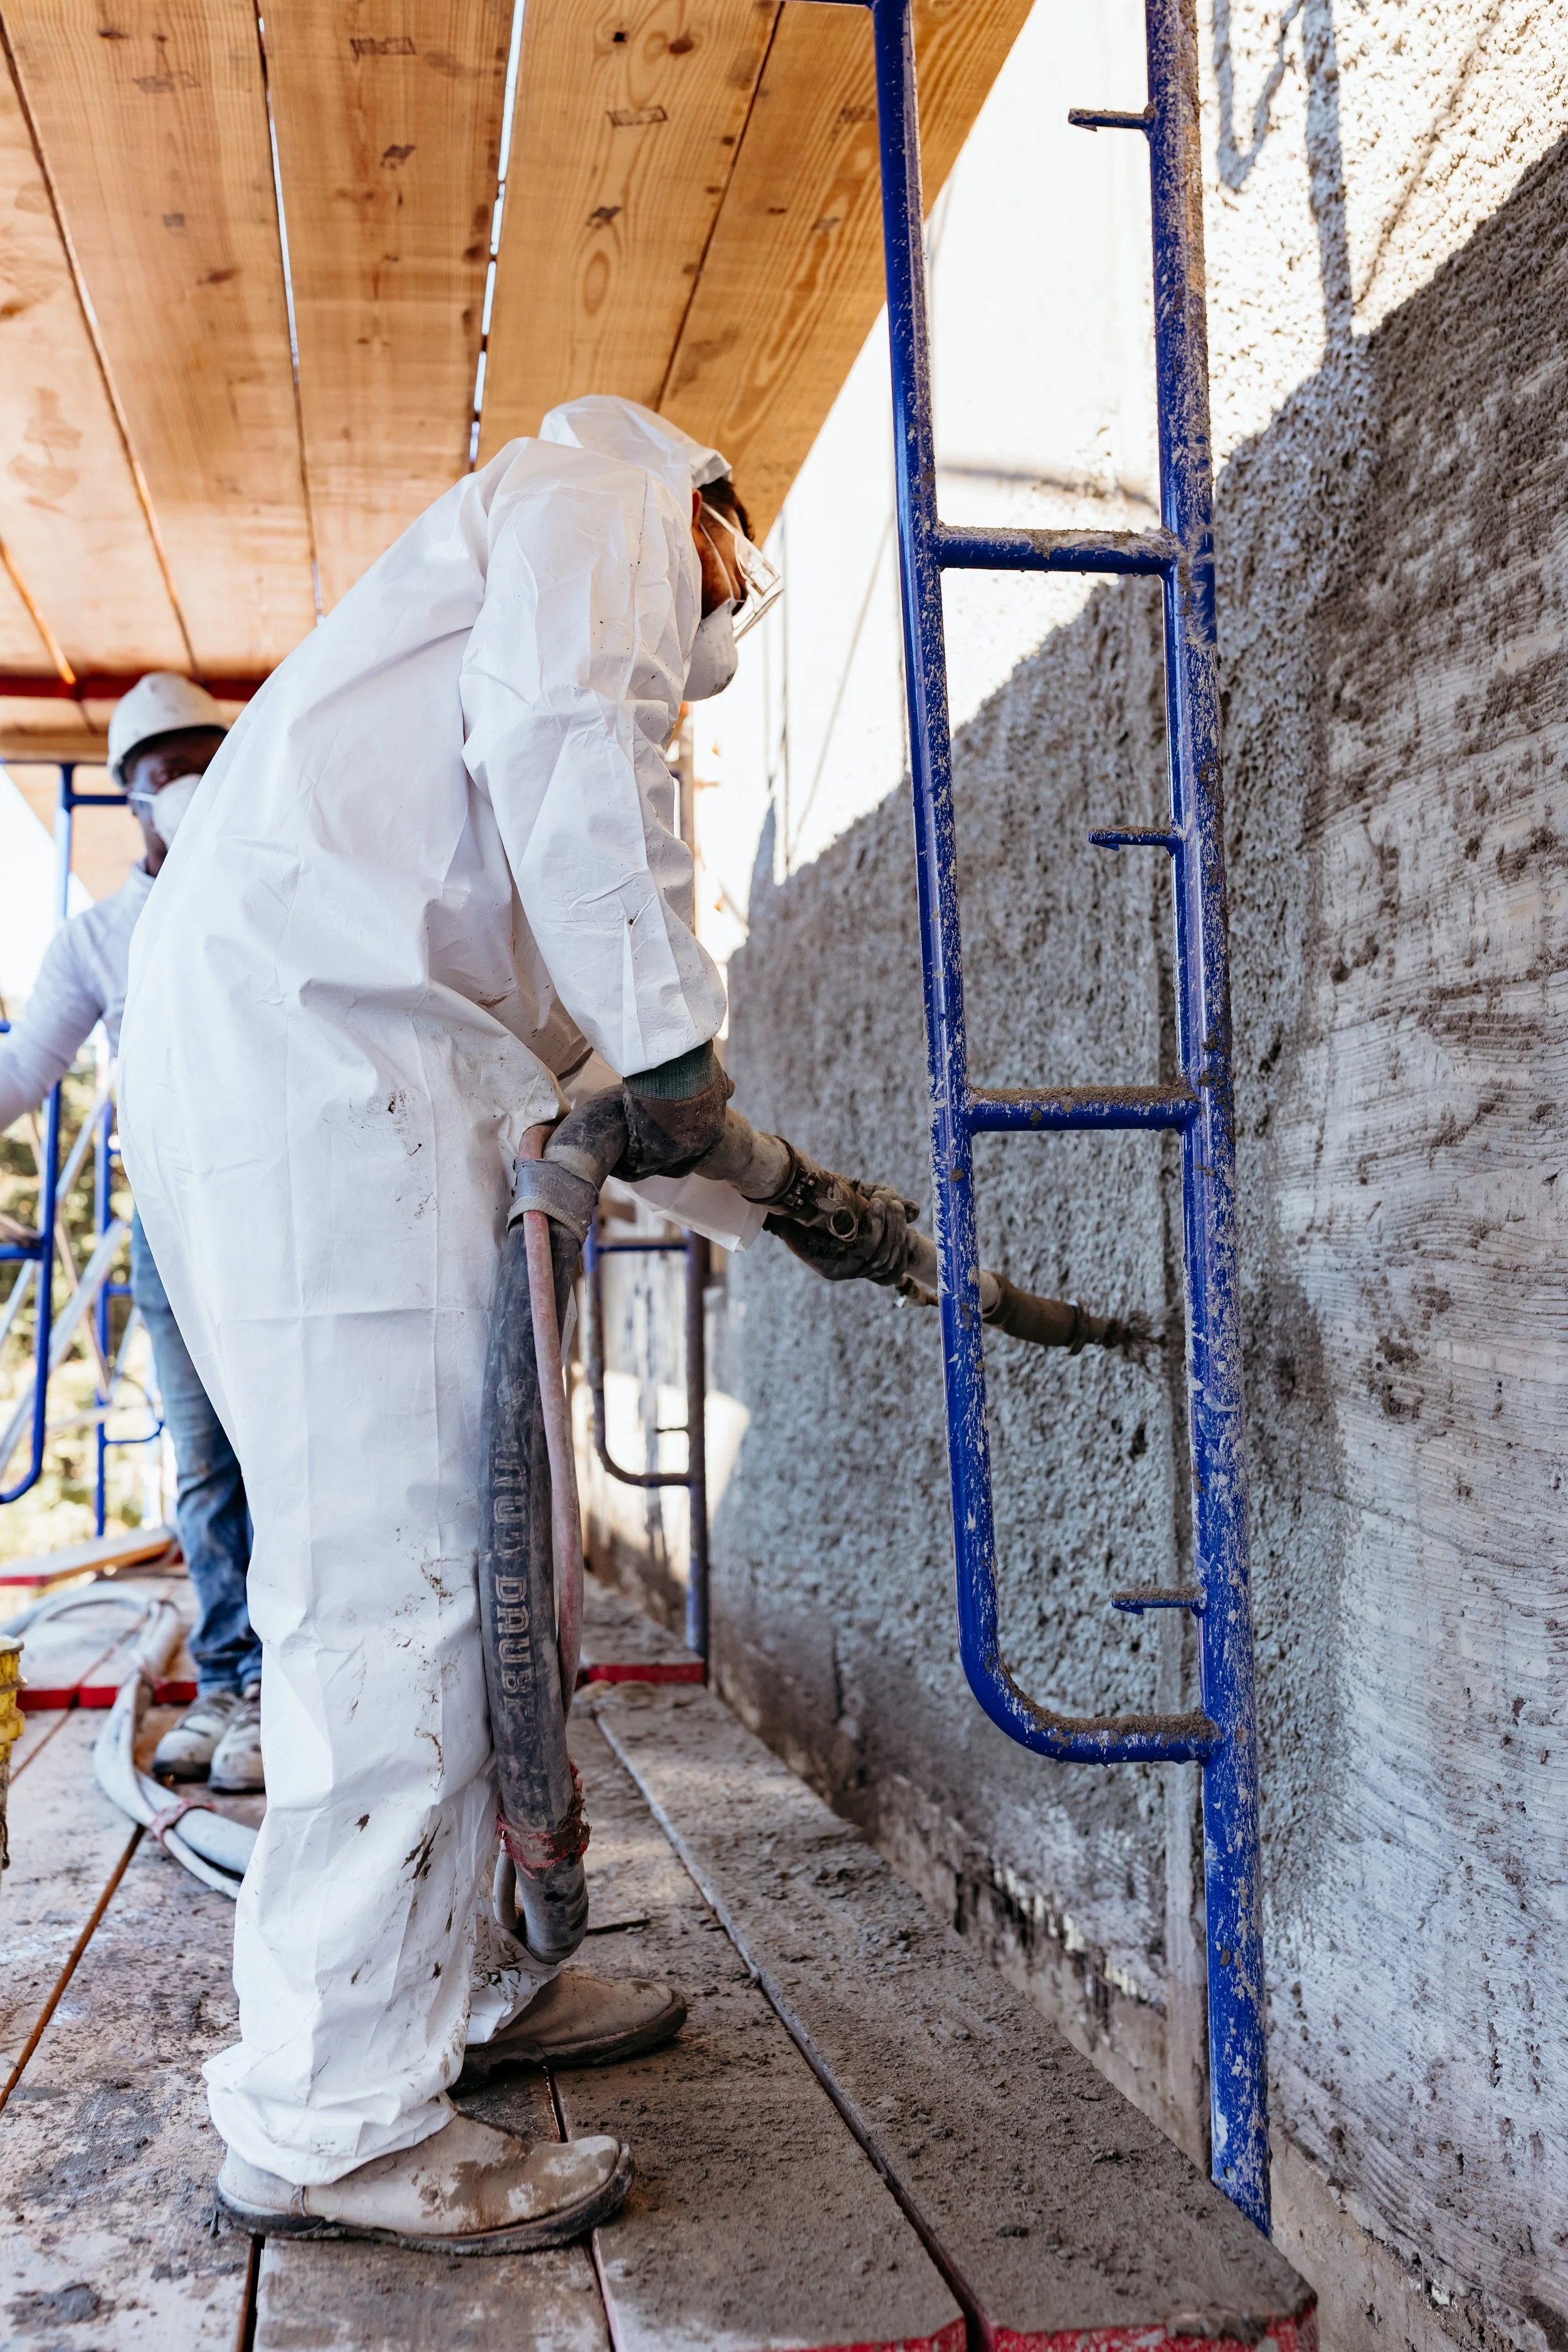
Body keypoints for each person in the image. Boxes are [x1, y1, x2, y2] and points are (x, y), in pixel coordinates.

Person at [119, 398, 775, 2250]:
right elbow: (586, 759)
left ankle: (459, 1990)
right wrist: (676, 1046)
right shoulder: (609, 493)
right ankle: (330, 2115)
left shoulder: (483, 616)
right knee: (405, 1580)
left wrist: (745, 1180)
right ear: (712, 510)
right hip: (324, 1062)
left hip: (349, 1057)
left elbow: (578, 999)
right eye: (729, 600)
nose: (713, 638)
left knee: (478, 1561)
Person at [0, 675, 263, 1794]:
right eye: (167, 776)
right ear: (132, 800)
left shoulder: (268, 897)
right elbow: (23, 1073)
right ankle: (231, 1680)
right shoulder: (101, 940)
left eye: (208, 762)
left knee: (298, 1452)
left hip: (282, 1208)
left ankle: (312, 1687)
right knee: (205, 1464)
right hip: (174, 1224)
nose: (190, 788)